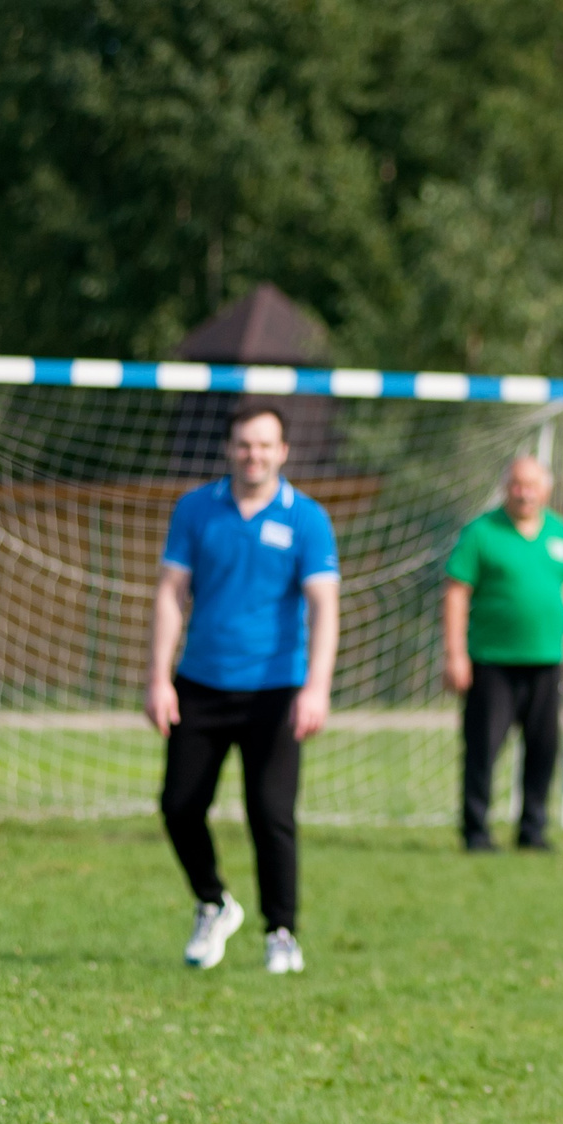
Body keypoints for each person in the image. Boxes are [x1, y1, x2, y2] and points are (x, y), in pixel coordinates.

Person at [147, 403, 340, 975]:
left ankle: (281, 932)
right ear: (229, 449)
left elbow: (324, 606)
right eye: (244, 444)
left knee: (271, 813)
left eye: (264, 445)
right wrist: (158, 677)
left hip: (276, 689)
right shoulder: (195, 509)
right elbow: (170, 594)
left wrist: (316, 687)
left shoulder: (307, 519)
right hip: (201, 683)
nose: (254, 455)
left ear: (283, 452)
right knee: (178, 806)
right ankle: (213, 902)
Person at [444, 455, 563, 852]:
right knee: (484, 748)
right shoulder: (481, 532)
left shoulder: (559, 532)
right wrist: (455, 653)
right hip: (492, 661)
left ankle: (533, 830)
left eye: (532, 485)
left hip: (546, 660)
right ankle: (476, 831)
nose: (525, 493)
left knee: (543, 749)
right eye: (517, 485)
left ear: (546, 489)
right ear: (506, 488)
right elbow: (457, 593)